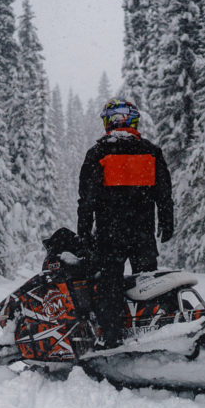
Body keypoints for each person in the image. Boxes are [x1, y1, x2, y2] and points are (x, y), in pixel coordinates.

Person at [77, 98, 173, 342]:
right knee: (149, 285)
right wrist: (166, 219)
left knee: (109, 287)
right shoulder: (151, 151)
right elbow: (164, 192)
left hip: (110, 234)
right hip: (142, 232)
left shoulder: (98, 153)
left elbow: (86, 198)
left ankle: (111, 338)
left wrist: (84, 230)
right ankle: (157, 334)